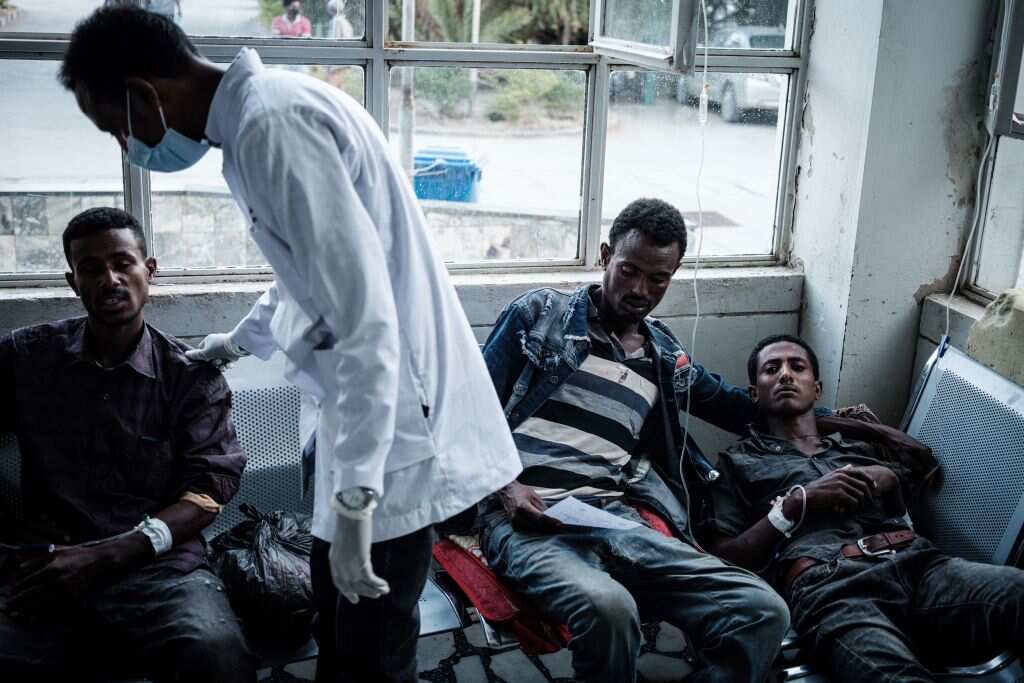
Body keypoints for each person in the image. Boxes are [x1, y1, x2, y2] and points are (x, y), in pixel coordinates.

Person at [60, 8, 522, 682]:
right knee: (340, 629)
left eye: (116, 128)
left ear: (144, 95)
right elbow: (306, 274)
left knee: (369, 652)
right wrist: (233, 342)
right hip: (366, 417)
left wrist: (360, 506)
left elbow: (366, 322)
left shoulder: (272, 128)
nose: (126, 146)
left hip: (394, 427)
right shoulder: (259, 122)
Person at [479, 198, 790, 683]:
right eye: (628, 270)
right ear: (605, 256)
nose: (640, 290)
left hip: (611, 515)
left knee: (762, 608)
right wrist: (506, 487)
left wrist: (850, 425)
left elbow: (741, 408)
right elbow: (465, 411)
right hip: (526, 516)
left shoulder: (665, 358)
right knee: (610, 608)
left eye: (658, 279)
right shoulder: (540, 316)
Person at [0, 207, 254, 682]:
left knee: (218, 653)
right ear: (73, 281)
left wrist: (109, 554)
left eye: (123, 263)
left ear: (148, 270)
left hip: (157, 567)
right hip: (48, 563)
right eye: (91, 269)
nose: (110, 279)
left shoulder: (190, 377)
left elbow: (209, 490)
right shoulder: (27, 358)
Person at [705, 334, 1024, 683]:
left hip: (922, 567)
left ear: (817, 389)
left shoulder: (861, 445)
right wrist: (795, 505)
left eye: (797, 367)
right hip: (833, 588)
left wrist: (886, 474)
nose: (785, 375)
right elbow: (727, 555)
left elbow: (923, 469)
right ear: (755, 393)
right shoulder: (738, 461)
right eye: (772, 369)